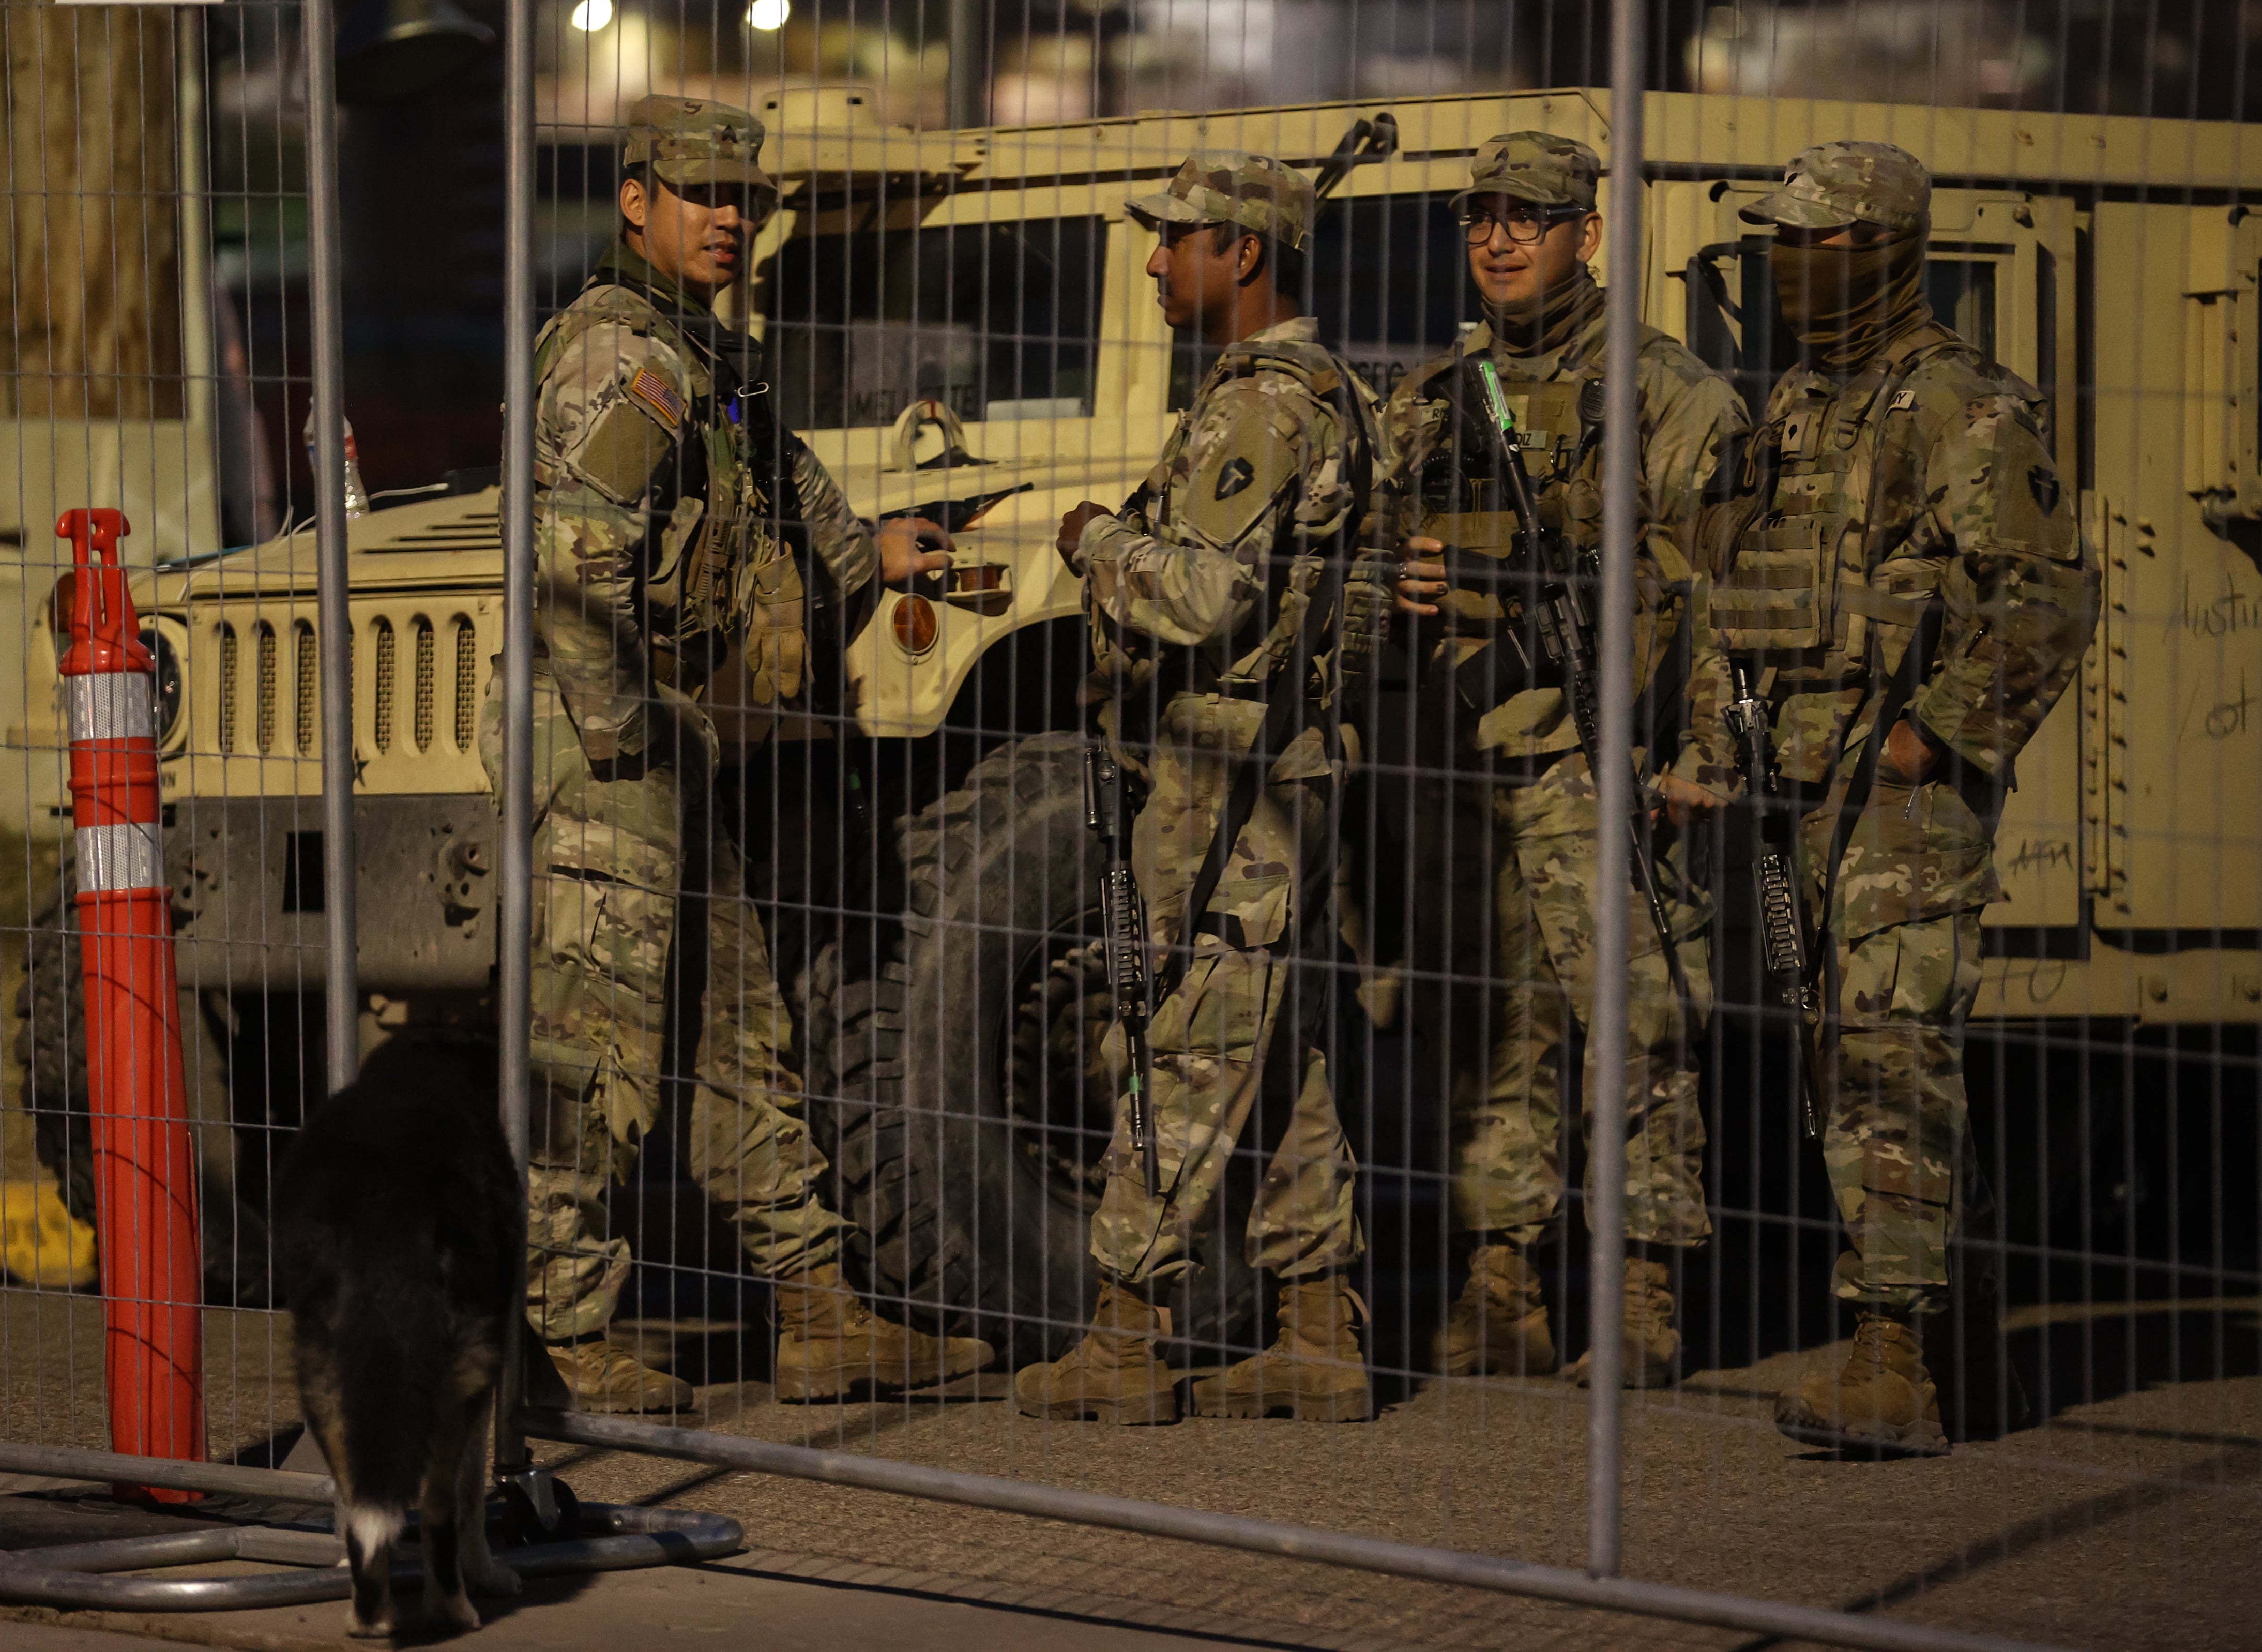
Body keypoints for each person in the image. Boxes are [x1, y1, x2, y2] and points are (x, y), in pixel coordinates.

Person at [498, 93, 991, 1411]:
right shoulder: (621, 360)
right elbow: (571, 570)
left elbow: (789, 496)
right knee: (590, 1045)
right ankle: (556, 1334)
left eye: (745, 199)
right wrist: (621, 757)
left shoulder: (706, 355)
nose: (729, 218)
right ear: (636, 200)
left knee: (735, 1028)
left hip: (668, 742)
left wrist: (874, 549)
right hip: (606, 742)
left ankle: (820, 1308)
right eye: (702, 193)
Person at [1664, 141, 2094, 1454]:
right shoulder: (1798, 401)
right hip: (1802, 785)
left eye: (1813, 238)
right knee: (1844, 1052)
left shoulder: (1961, 404)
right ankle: (1955, 1340)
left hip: (1900, 801)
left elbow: (2045, 600)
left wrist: (1931, 736)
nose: (1785, 264)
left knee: (1887, 1052)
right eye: (1779, 238)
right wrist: (1710, 751)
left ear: (1881, 248)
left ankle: (1893, 1355)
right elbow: (1732, 597)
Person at [1015, 151, 1391, 1425]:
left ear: (1246, 251)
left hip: (1240, 780)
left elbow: (1206, 594)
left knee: (1180, 1039)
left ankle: (1125, 1330)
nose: (1157, 261)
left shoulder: (1264, 405)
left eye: (1180, 238)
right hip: (1263, 765)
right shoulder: (1292, 392)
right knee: (1275, 1045)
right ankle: (1317, 1324)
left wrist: (1093, 543)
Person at [1387, 132, 1747, 1387]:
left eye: (1527, 218)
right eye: (1480, 216)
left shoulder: (1666, 392)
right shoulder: (1437, 394)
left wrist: (1701, 755)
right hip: (1465, 772)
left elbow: (1726, 593)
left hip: (1607, 763)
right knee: (1492, 1036)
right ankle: (1503, 1287)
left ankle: (1642, 1302)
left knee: (1636, 1032)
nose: (1497, 238)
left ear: (1585, 236)